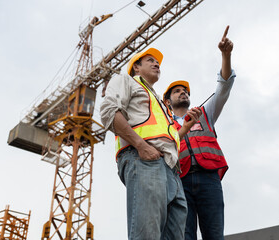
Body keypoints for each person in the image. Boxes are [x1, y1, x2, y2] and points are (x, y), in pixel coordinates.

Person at [100, 47, 201, 240]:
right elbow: (108, 112)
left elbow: (162, 138)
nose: (157, 64)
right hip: (144, 160)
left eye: (158, 62)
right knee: (147, 234)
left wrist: (185, 128)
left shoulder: (159, 102)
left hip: (170, 170)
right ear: (136, 67)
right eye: (150, 61)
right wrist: (141, 146)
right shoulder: (126, 81)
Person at [163, 26, 235, 240]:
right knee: (184, 236)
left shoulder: (206, 113)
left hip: (208, 180)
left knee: (214, 235)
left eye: (185, 91)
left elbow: (223, 87)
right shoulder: (164, 124)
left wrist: (226, 55)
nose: (183, 92)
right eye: (177, 91)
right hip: (180, 183)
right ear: (168, 101)